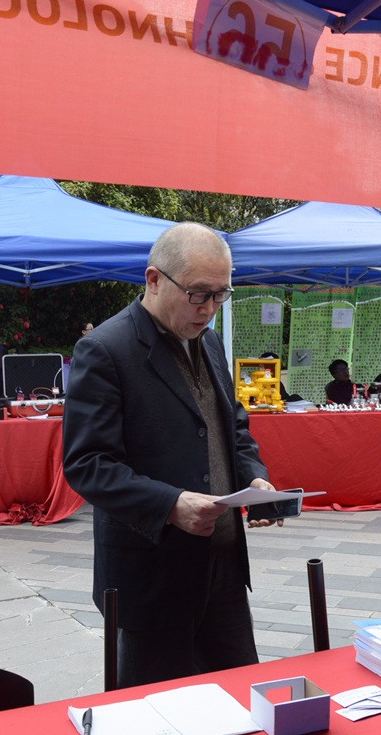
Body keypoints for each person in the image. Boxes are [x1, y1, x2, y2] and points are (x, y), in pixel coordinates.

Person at [62, 222, 279, 688]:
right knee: (156, 713)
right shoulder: (105, 349)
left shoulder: (210, 341)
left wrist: (254, 477)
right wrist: (170, 505)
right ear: (154, 279)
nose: (209, 309)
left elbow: (232, 426)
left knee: (242, 702)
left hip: (222, 570)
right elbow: (87, 464)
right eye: (199, 294)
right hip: (152, 576)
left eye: (221, 295)